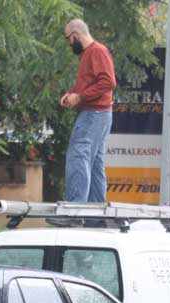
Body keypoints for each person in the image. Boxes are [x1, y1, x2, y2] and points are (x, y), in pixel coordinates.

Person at [60, 19, 116, 204]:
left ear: (75, 35)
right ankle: (97, 216)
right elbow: (87, 84)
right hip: (99, 115)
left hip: (94, 114)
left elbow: (108, 82)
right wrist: (71, 94)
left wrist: (81, 97)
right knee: (95, 164)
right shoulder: (87, 54)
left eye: (68, 38)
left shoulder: (97, 51)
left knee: (78, 156)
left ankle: (74, 210)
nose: (69, 43)